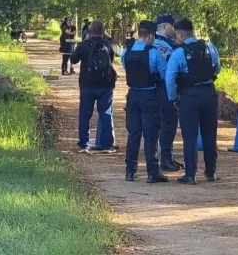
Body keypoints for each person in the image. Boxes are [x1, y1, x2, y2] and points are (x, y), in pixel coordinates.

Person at [165, 18, 221, 185]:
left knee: (190, 136)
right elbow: (217, 68)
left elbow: (170, 79)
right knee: (210, 135)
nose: (176, 38)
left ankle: (190, 175)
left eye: (176, 35)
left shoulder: (179, 53)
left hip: (189, 96)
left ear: (181, 34)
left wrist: (173, 98)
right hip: (210, 94)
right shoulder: (209, 47)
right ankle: (211, 172)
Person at [121, 20, 169, 183]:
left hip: (132, 96)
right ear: (150, 36)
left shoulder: (126, 52)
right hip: (149, 96)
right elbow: (163, 74)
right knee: (151, 134)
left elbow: (125, 68)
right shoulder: (154, 52)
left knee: (134, 133)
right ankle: (152, 172)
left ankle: (130, 171)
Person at [70, 20, 117, 153]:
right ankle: (107, 144)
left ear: (89, 31)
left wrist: (83, 43)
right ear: (103, 32)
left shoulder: (84, 45)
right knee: (106, 113)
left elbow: (73, 59)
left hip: (87, 85)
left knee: (85, 114)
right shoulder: (108, 45)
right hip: (105, 85)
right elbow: (112, 59)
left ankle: (84, 142)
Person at [154, 15, 184, 171]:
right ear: (165, 27)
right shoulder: (166, 47)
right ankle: (165, 159)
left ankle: (163, 158)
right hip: (165, 90)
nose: (175, 30)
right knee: (169, 125)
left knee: (157, 126)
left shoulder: (150, 42)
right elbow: (172, 73)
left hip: (150, 90)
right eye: (172, 26)